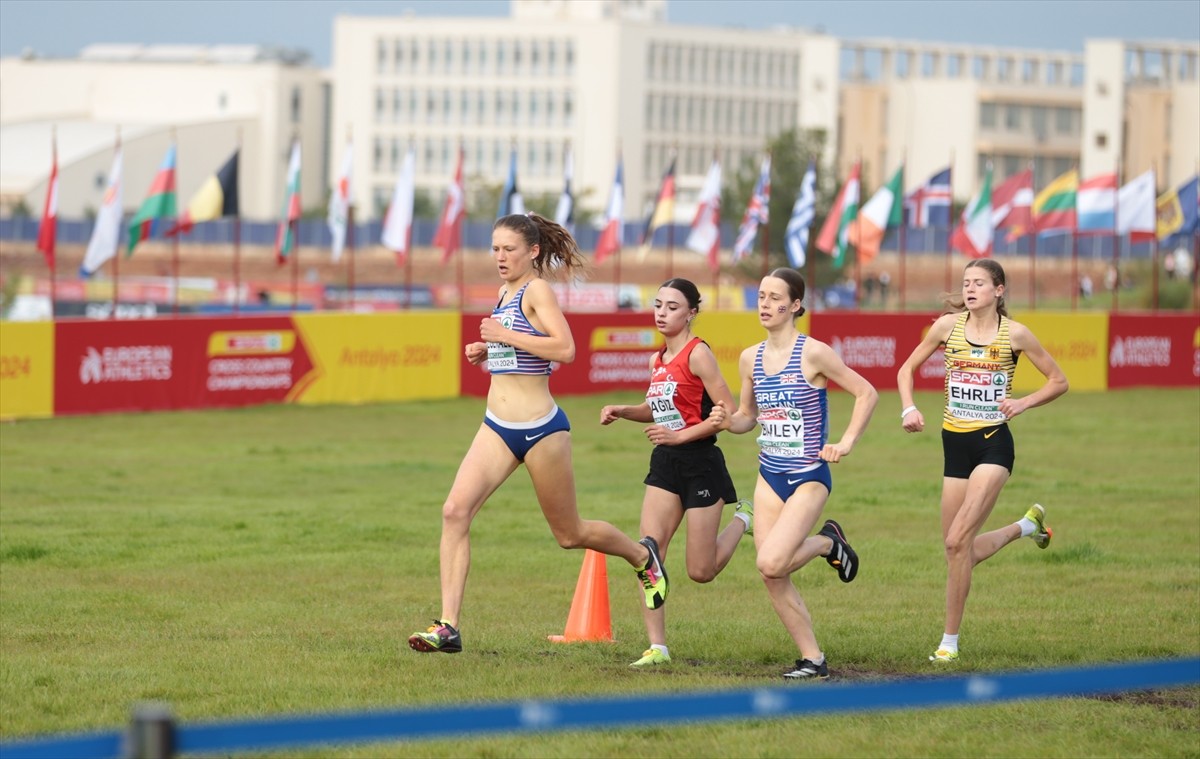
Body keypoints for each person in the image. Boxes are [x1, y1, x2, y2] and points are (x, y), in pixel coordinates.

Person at [408, 212, 669, 655]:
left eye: (509, 249)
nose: (500, 257)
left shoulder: (537, 290)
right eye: (494, 249)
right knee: (454, 511)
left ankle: (642, 556)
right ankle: (448, 626)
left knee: (569, 534)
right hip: (496, 426)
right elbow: (520, 350)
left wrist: (503, 334)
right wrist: (487, 350)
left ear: (532, 251)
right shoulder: (504, 291)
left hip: (541, 430)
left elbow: (565, 349)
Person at [896, 259, 1068, 664]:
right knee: (958, 551)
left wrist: (1023, 402)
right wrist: (908, 409)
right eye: (965, 283)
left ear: (999, 290)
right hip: (953, 445)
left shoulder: (1016, 335)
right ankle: (1026, 526)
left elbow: (1059, 380)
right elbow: (906, 369)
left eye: (979, 283)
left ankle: (949, 643)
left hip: (994, 445)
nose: (970, 289)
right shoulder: (945, 327)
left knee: (958, 542)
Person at [709, 268, 878, 681]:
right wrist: (725, 420)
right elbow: (749, 416)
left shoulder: (814, 353)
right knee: (772, 574)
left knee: (771, 560)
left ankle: (826, 542)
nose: (764, 304)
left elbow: (866, 392)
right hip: (770, 475)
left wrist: (847, 441)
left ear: (795, 305)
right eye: (760, 296)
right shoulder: (750, 357)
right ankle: (813, 659)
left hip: (809, 475)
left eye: (773, 297)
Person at [599, 278, 752, 668]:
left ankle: (744, 518)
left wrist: (680, 436)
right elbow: (656, 408)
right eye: (658, 305)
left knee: (701, 571)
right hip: (665, 462)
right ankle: (657, 647)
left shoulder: (699, 354)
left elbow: (726, 413)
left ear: (691, 313)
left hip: (702, 464)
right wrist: (623, 411)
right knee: (649, 554)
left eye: (672, 306)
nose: (661, 313)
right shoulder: (656, 361)